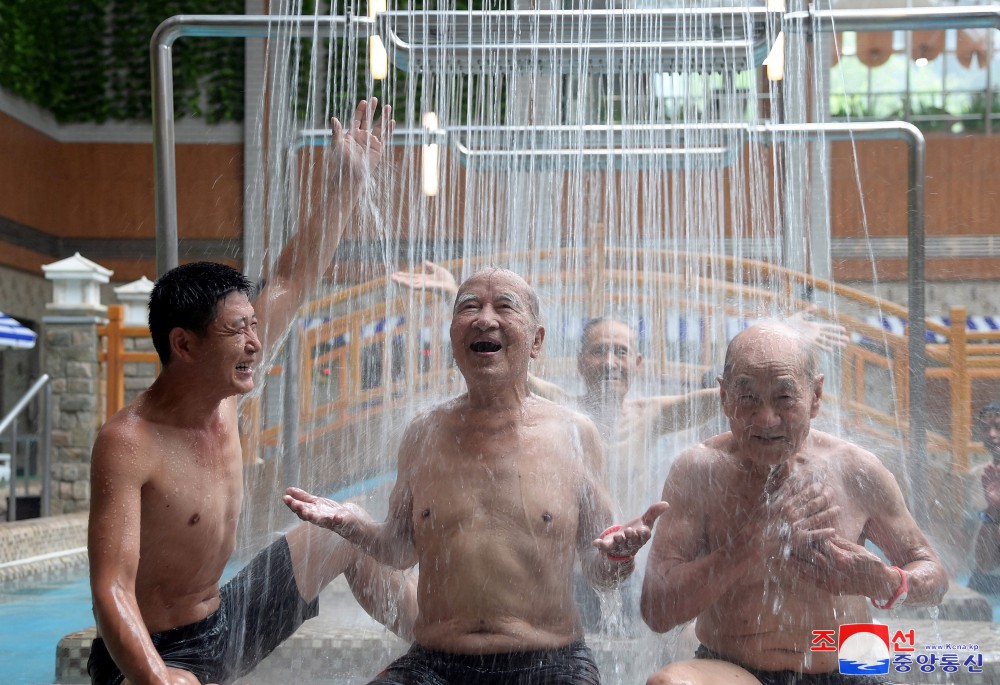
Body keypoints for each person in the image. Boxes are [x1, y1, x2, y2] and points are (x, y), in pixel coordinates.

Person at [87, 99, 416, 685]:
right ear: (184, 345)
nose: (256, 344)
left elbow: (293, 277)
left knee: (340, 531)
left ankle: (448, 648)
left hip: (226, 620)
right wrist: (158, 678)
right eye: (237, 331)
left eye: (254, 327)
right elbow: (111, 588)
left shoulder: (227, 399)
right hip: (154, 652)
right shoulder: (129, 443)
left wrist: (345, 186)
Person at [284, 267, 669, 685]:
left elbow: (599, 573)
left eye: (505, 307)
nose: (485, 320)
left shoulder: (575, 435)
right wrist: (353, 526)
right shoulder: (423, 433)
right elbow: (399, 551)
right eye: (469, 307)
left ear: (537, 341)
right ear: (453, 337)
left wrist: (619, 554)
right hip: (436, 663)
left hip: (549, 661)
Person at [640, 321, 948, 685]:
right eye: (748, 397)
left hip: (845, 664)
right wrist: (754, 541)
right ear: (723, 397)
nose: (766, 418)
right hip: (733, 667)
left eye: (785, 398)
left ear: (815, 396)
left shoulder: (855, 469)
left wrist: (886, 581)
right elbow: (656, 610)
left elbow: (934, 575)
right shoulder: (700, 470)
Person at [969, 400, 1000, 594]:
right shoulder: (977, 477)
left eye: (998, 427)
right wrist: (993, 509)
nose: (992, 434)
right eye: (986, 428)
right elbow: (985, 563)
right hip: (982, 585)